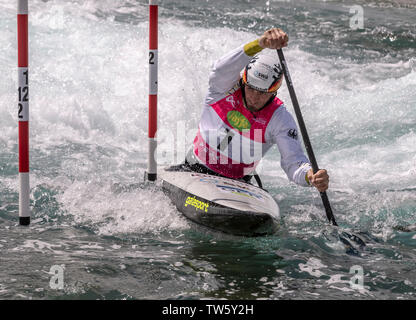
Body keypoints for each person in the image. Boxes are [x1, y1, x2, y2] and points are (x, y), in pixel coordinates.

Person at [179, 28, 329, 192]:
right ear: (244, 81)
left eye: (262, 93)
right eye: (251, 88)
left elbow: (293, 163)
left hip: (237, 184)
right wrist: (260, 43)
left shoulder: (280, 119)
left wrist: (310, 176)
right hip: (193, 169)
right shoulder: (222, 89)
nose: (254, 97)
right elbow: (221, 68)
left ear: (274, 91)